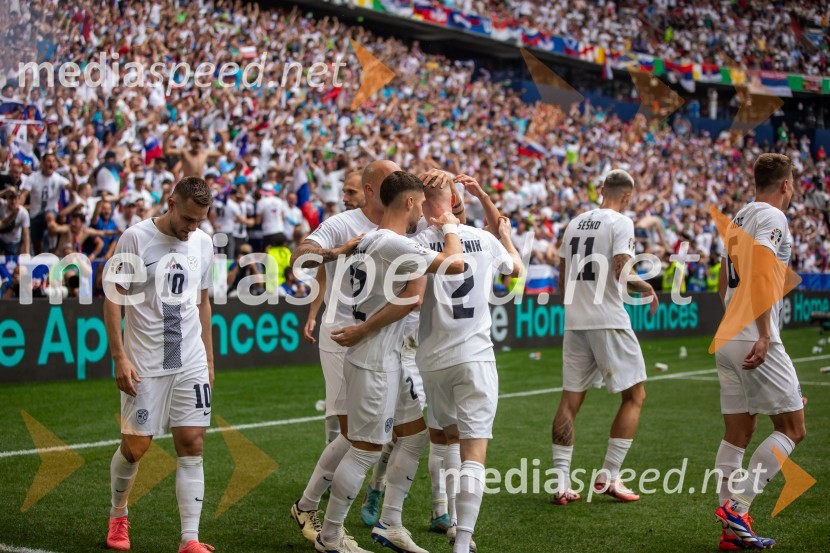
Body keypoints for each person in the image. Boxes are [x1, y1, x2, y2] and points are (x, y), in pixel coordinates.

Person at [318, 170, 465, 553]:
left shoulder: (372, 239)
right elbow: (454, 264)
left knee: (414, 435)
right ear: (410, 203)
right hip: (375, 357)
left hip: (388, 355)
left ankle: (391, 522)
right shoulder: (391, 243)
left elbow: (352, 254)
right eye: (418, 205)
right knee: (365, 449)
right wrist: (450, 224)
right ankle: (331, 536)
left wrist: (335, 252)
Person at [102, 177, 216, 553]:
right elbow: (113, 298)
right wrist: (120, 356)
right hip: (146, 360)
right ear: (171, 203)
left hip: (190, 359)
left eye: (199, 220)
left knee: (192, 443)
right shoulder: (136, 238)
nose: (191, 228)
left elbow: (203, 303)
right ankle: (119, 514)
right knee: (136, 448)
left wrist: (210, 362)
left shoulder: (202, 241)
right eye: (187, 218)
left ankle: (190, 539)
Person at [415, 177, 523, 553]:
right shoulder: (486, 239)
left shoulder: (416, 243)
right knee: (472, 452)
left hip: (432, 360)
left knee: (445, 440)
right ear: (455, 199)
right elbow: (515, 271)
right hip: (474, 356)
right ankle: (462, 540)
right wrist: (506, 236)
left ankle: (441, 510)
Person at [713, 153, 806, 550]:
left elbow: (722, 278)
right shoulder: (773, 217)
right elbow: (762, 273)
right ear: (785, 185)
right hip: (754, 333)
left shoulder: (738, 217)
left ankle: (731, 532)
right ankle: (739, 506)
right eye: (793, 185)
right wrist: (764, 334)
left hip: (729, 332)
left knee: (738, 431)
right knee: (793, 428)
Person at [550, 169, 658, 505]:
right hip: (607, 318)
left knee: (570, 401)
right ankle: (610, 476)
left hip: (576, 320)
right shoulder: (620, 222)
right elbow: (622, 271)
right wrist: (647, 286)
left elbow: (562, 276)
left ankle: (561, 484)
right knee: (634, 396)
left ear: (601, 190)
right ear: (626, 195)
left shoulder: (574, 223)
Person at [19, 152, 68, 254]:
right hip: (35, 214)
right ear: (43, 163)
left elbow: (71, 187)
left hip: (51, 211)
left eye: (53, 161)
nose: (51, 163)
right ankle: (40, 258)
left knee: (49, 217)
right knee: (37, 244)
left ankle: (52, 248)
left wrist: (73, 175)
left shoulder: (57, 178)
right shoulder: (33, 177)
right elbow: (24, 194)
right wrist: (18, 206)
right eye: (48, 161)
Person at [0, 188, 30, 256]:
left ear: (18, 199)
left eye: (15, 199)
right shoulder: (2, 205)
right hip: (1, 237)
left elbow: (26, 234)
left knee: (11, 263)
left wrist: (27, 252)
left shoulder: (23, 213)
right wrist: (5, 191)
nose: (13, 202)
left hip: (13, 241)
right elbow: (4, 223)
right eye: (11, 198)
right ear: (7, 199)